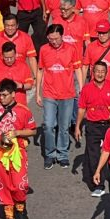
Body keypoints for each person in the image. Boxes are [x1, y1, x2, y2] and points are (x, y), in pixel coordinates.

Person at [0, 78, 37, 219]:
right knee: (3, 184)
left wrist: (17, 133)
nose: (2, 98)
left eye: (5, 95)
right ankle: (9, 216)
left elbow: (33, 130)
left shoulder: (23, 110)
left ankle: (21, 209)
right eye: (0, 95)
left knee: (20, 184)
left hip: (18, 152)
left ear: (13, 94)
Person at [36, 24, 82, 169]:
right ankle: (49, 154)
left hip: (67, 94)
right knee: (49, 125)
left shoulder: (71, 49)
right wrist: (37, 93)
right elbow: (40, 71)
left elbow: (78, 69)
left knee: (64, 126)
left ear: (62, 36)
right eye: (51, 39)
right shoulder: (44, 49)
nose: (54, 42)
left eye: (56, 38)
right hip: (49, 94)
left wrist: (81, 88)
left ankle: (62, 154)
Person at [74, 61, 110, 197]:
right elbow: (82, 109)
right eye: (97, 71)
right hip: (93, 126)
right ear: (92, 73)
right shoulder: (87, 89)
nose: (100, 74)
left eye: (102, 71)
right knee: (93, 155)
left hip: (109, 126)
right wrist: (77, 127)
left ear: (106, 73)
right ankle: (98, 185)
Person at [83, 21, 110, 98]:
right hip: (95, 89)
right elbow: (85, 67)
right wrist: (82, 87)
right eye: (99, 33)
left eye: (104, 33)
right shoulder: (90, 47)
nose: (102, 35)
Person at [0, 14, 38, 79]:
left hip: (21, 77)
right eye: (7, 25)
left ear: (17, 25)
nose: (10, 28)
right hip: (1, 78)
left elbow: (32, 58)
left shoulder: (26, 37)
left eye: (12, 25)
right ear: (3, 25)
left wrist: (36, 78)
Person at [0, 42, 35, 106]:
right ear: (2, 56)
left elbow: (29, 85)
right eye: (6, 58)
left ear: (15, 55)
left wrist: (20, 85)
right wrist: (4, 86)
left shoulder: (23, 66)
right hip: (1, 104)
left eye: (11, 57)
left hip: (19, 104)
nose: (9, 60)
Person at [48, 0, 90, 64]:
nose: (63, 11)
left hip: (77, 62)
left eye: (66, 9)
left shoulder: (82, 22)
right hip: (60, 62)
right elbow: (51, 41)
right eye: (61, 9)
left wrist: (86, 60)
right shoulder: (56, 21)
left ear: (73, 8)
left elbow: (87, 42)